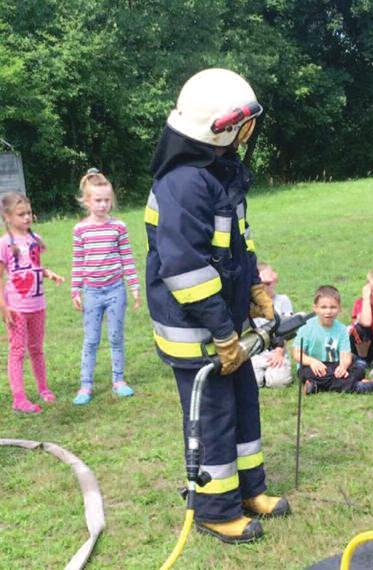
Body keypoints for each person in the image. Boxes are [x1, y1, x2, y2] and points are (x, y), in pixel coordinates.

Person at [145, 68, 290, 544]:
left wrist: (253, 289)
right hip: (196, 329)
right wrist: (223, 333)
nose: (249, 131)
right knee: (213, 417)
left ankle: (250, 492)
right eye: (244, 123)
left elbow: (236, 246)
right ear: (223, 128)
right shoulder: (183, 184)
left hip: (227, 321)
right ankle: (213, 509)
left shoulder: (220, 173)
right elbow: (183, 268)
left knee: (245, 405)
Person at [71, 170, 141, 405]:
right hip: (92, 292)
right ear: (87, 201)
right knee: (91, 339)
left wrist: (134, 286)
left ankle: (118, 380)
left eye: (106, 200)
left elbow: (127, 259)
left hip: (115, 291)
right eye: (98, 200)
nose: (103, 205)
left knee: (115, 337)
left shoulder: (118, 227)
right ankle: (86, 385)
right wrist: (75, 290)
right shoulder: (80, 230)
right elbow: (78, 262)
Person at [0, 192, 64, 413]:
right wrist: (4, 306)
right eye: (21, 214)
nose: (27, 217)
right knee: (17, 351)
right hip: (17, 308)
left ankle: (43, 388)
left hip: (38, 305)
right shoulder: (5, 243)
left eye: (28, 213)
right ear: (8, 217)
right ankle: (19, 398)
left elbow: (33, 267)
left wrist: (49, 273)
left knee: (36, 349)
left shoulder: (34, 239)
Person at [293, 286, 373, 395]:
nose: (328, 311)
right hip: (312, 366)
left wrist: (343, 367)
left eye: (333, 307)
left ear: (339, 308)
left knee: (359, 367)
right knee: (305, 373)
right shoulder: (306, 328)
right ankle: (357, 386)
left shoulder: (342, 329)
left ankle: (316, 386)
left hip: (335, 364)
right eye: (323, 307)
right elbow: (297, 354)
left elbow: (345, 355)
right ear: (315, 308)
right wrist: (312, 362)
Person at [251, 263, 293, 388]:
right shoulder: (250, 304)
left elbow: (287, 330)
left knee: (277, 382)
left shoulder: (283, 300)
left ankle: (271, 375)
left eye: (273, 282)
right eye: (266, 284)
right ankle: (262, 375)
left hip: (277, 352)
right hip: (255, 353)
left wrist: (279, 352)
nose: (271, 286)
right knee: (253, 382)